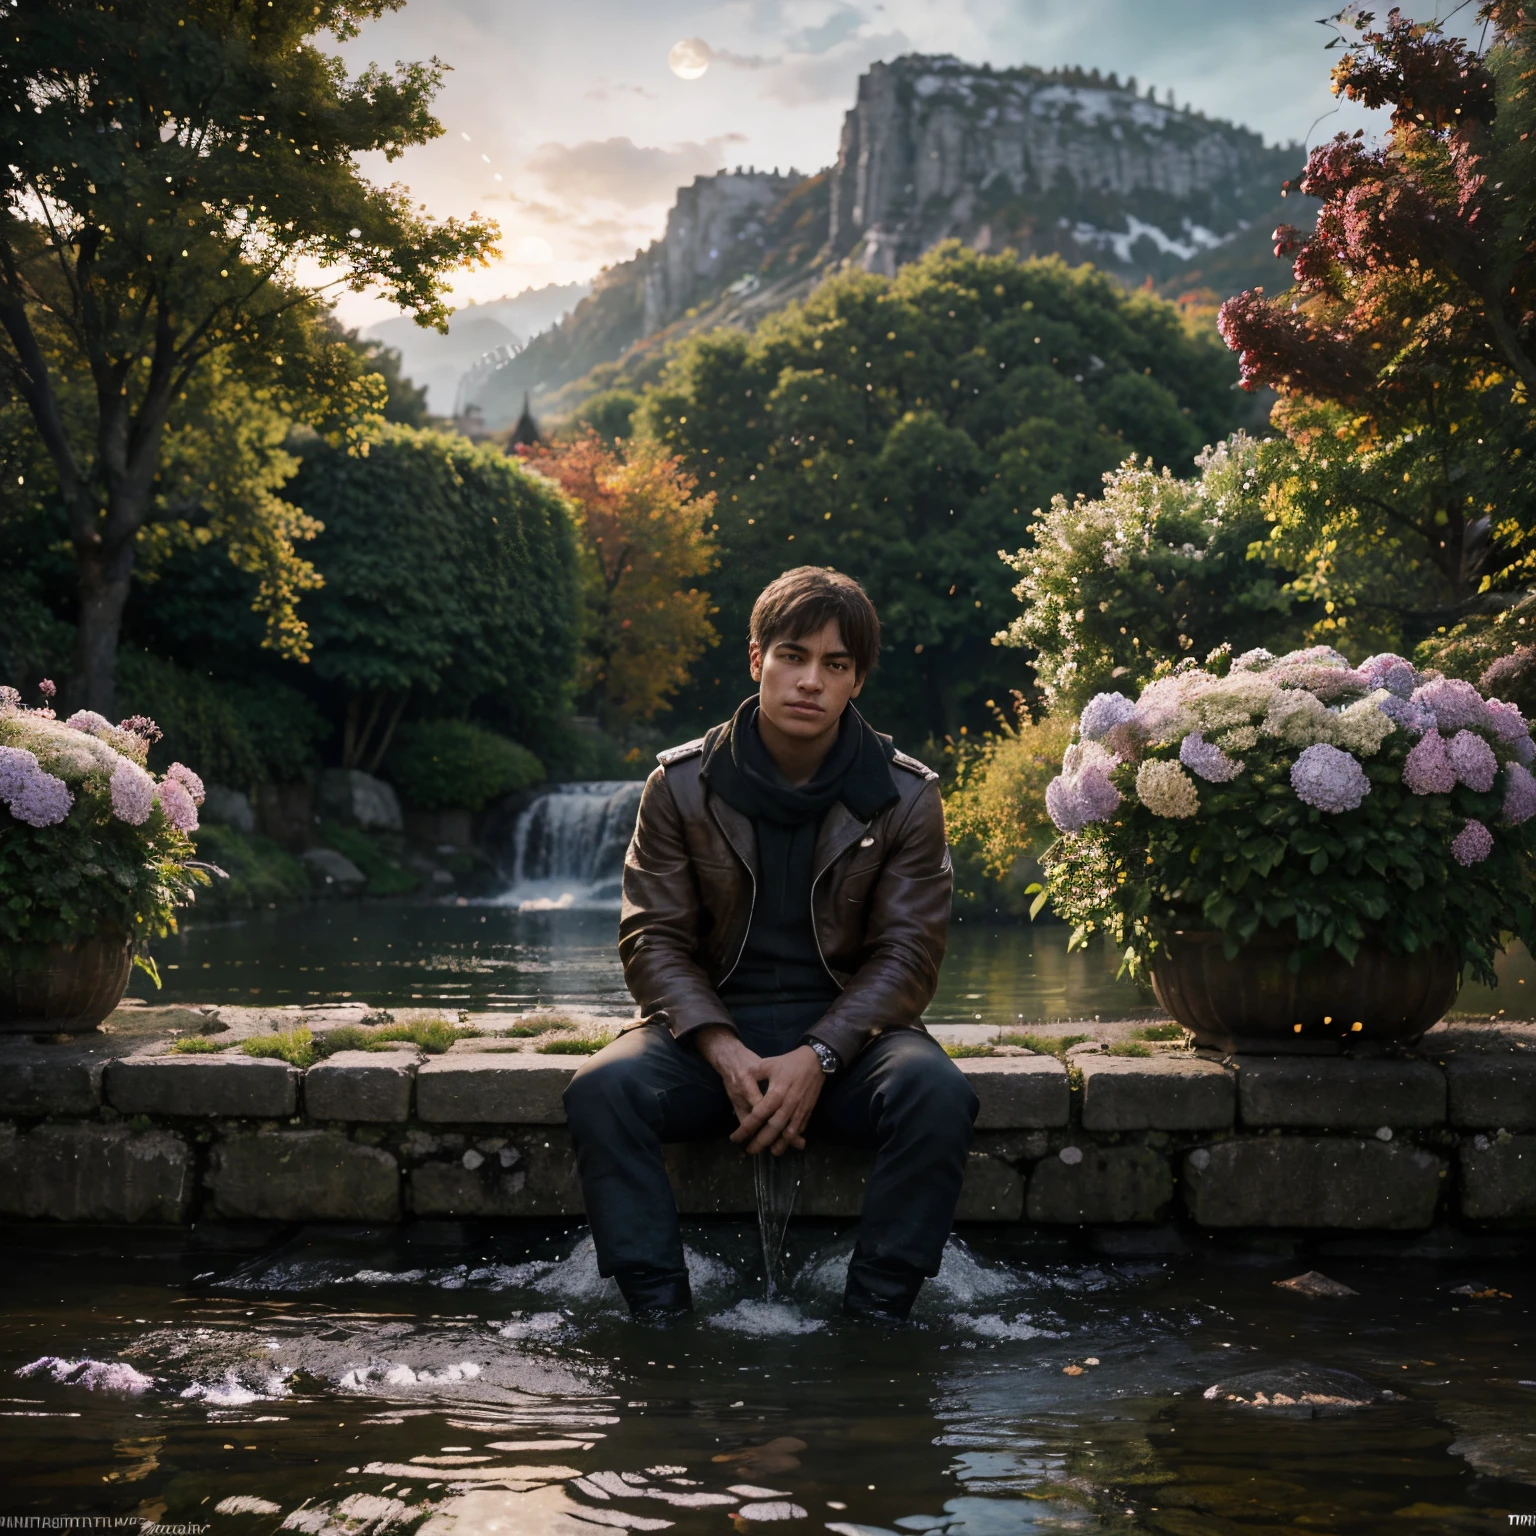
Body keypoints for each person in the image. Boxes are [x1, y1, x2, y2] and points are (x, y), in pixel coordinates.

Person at [563, 566, 978, 1323]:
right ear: (757, 660)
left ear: (857, 682)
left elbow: (909, 957)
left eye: (837, 664)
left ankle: (876, 1319)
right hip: (703, 1039)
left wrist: (819, 1055)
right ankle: (658, 1319)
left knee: (937, 1092)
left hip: (850, 1047)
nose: (811, 681)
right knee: (604, 1087)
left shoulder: (907, 795)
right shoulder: (680, 786)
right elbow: (651, 939)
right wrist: (721, 1048)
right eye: (793, 655)